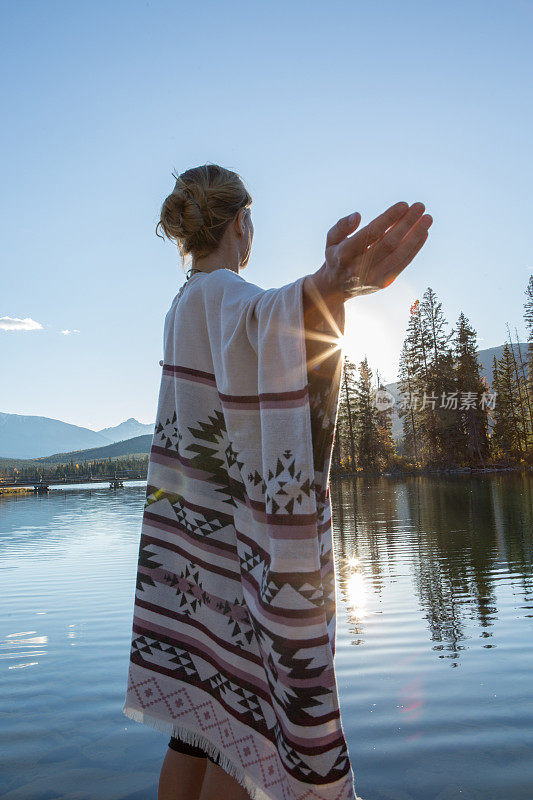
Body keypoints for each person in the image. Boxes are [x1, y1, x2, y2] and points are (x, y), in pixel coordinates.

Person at [122, 163, 432, 800]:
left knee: (196, 728)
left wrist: (328, 291)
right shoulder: (220, 293)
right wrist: (331, 287)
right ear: (241, 222)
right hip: (236, 567)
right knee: (247, 733)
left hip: (193, 563)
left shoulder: (184, 303)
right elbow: (270, 325)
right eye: (251, 220)